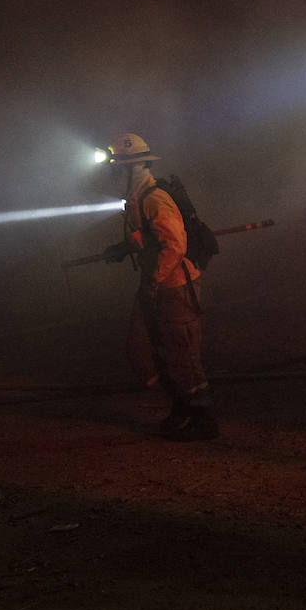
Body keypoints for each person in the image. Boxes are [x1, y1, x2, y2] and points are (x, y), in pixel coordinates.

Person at [102, 132, 216, 441]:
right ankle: (182, 406)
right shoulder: (138, 197)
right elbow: (150, 237)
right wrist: (124, 247)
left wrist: (153, 281)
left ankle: (202, 418)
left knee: (181, 351)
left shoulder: (154, 198)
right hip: (157, 284)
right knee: (145, 349)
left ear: (133, 168)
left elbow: (174, 246)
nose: (112, 172)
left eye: (116, 166)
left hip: (175, 285)